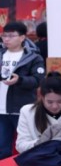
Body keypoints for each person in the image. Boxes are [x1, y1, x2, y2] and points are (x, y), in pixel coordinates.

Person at [0, 21, 45, 159]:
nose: (6, 39)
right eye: (4, 35)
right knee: (2, 148)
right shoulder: (1, 54)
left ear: (22, 37)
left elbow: (38, 80)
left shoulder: (33, 57)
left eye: (11, 36)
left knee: (27, 146)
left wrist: (19, 80)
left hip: (22, 109)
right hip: (1, 110)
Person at [15, 72, 61, 153]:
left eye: (60, 101)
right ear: (41, 97)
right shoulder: (27, 112)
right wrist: (42, 141)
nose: (55, 106)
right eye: (50, 102)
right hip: (39, 157)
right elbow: (20, 146)